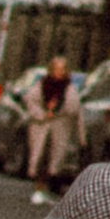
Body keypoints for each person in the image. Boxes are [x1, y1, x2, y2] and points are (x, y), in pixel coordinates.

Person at [25, 53, 78, 201]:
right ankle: (38, 186)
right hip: (41, 127)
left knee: (54, 158)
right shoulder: (43, 84)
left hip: (59, 128)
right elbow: (31, 100)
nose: (60, 72)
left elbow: (73, 106)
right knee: (40, 156)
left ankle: (46, 186)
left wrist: (56, 111)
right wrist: (42, 114)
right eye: (57, 69)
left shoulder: (69, 87)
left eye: (63, 69)